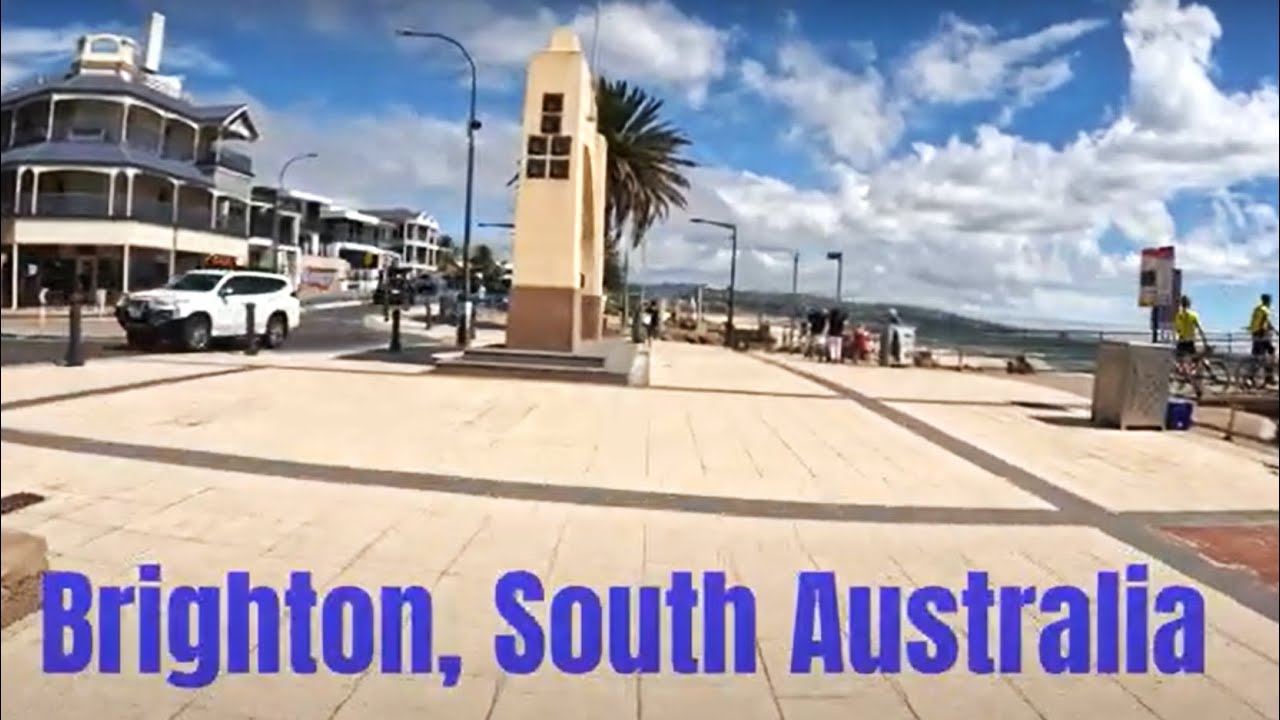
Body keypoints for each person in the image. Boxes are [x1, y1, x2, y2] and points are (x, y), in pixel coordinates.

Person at [1248, 293, 1275, 384]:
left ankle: (1250, 377)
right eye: (1270, 300)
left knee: (1257, 356)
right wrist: (1272, 331)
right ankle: (1269, 377)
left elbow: (1258, 322)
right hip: (1262, 335)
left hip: (1255, 334)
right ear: (1267, 301)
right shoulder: (1265, 310)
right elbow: (1265, 323)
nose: (1271, 302)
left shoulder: (1257, 309)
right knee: (1270, 352)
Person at [1173, 295, 1209, 363]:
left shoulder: (1178, 315)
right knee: (1196, 360)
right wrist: (1205, 341)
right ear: (1189, 304)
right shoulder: (1193, 315)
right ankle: (1205, 366)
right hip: (1190, 341)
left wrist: (1176, 339)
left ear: (1181, 304)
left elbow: (1177, 330)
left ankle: (1182, 368)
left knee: (1179, 361)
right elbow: (1200, 329)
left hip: (1181, 342)